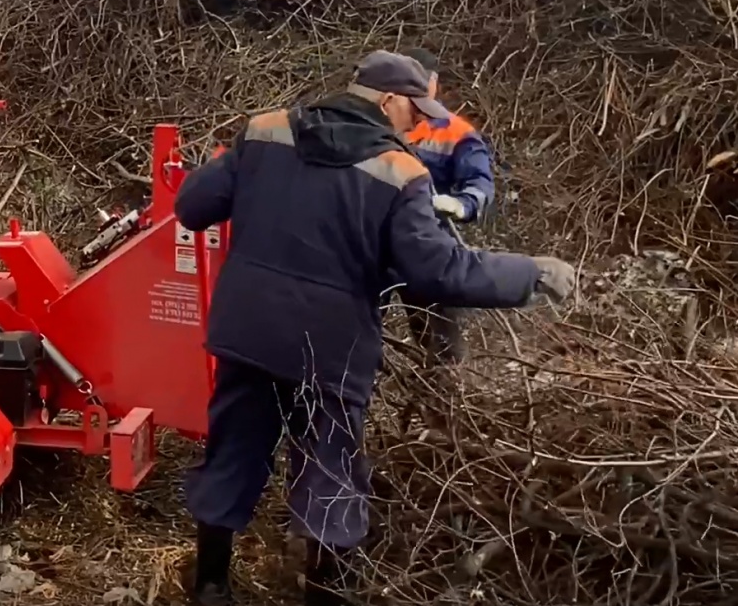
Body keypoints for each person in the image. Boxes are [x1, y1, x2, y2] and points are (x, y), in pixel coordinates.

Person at [173, 50, 576, 606]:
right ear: (387, 101)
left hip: (250, 334)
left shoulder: (264, 132)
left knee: (232, 456)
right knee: (331, 475)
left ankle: (211, 589)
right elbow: (437, 270)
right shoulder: (399, 172)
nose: (421, 122)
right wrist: (530, 273)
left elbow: (193, 207)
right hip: (329, 352)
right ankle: (324, 595)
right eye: (416, 110)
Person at [397, 47, 495, 367]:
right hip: (371, 240)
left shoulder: (456, 133)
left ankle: (446, 399)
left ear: (433, 82)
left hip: (425, 241)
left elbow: (480, 183)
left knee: (442, 346)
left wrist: (461, 205)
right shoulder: (379, 124)